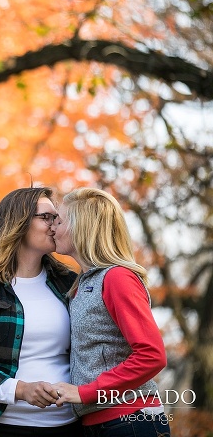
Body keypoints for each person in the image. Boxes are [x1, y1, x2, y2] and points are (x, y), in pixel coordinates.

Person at [0, 187, 81, 437]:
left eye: (58, 217)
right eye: (47, 217)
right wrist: (21, 389)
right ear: (18, 222)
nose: (56, 225)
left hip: (69, 426)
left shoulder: (71, 283)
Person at [50, 187, 170, 437]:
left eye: (59, 220)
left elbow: (152, 355)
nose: (52, 227)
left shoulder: (117, 278)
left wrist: (84, 392)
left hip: (129, 420)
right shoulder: (82, 283)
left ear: (81, 226)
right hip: (100, 423)